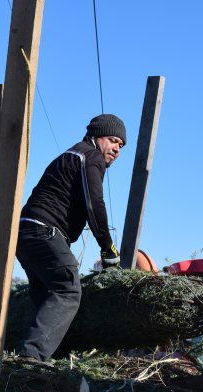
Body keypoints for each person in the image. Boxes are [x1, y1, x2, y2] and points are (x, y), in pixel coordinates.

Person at [16, 113, 126, 362]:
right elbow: (94, 203)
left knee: (46, 297)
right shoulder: (90, 155)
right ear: (96, 137)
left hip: (26, 231)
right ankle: (30, 358)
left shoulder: (70, 155)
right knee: (68, 290)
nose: (117, 149)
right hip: (45, 230)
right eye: (113, 140)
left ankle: (57, 358)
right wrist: (107, 247)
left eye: (121, 145)